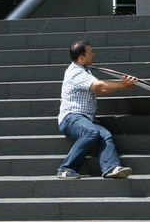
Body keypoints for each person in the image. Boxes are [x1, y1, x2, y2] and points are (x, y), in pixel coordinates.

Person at [56, 40, 138, 179]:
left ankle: (111, 168)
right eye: (90, 52)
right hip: (71, 118)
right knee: (91, 131)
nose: (93, 54)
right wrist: (123, 83)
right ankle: (66, 168)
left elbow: (98, 91)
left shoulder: (85, 71)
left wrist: (124, 86)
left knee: (105, 135)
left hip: (85, 119)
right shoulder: (75, 72)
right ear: (81, 58)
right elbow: (98, 86)